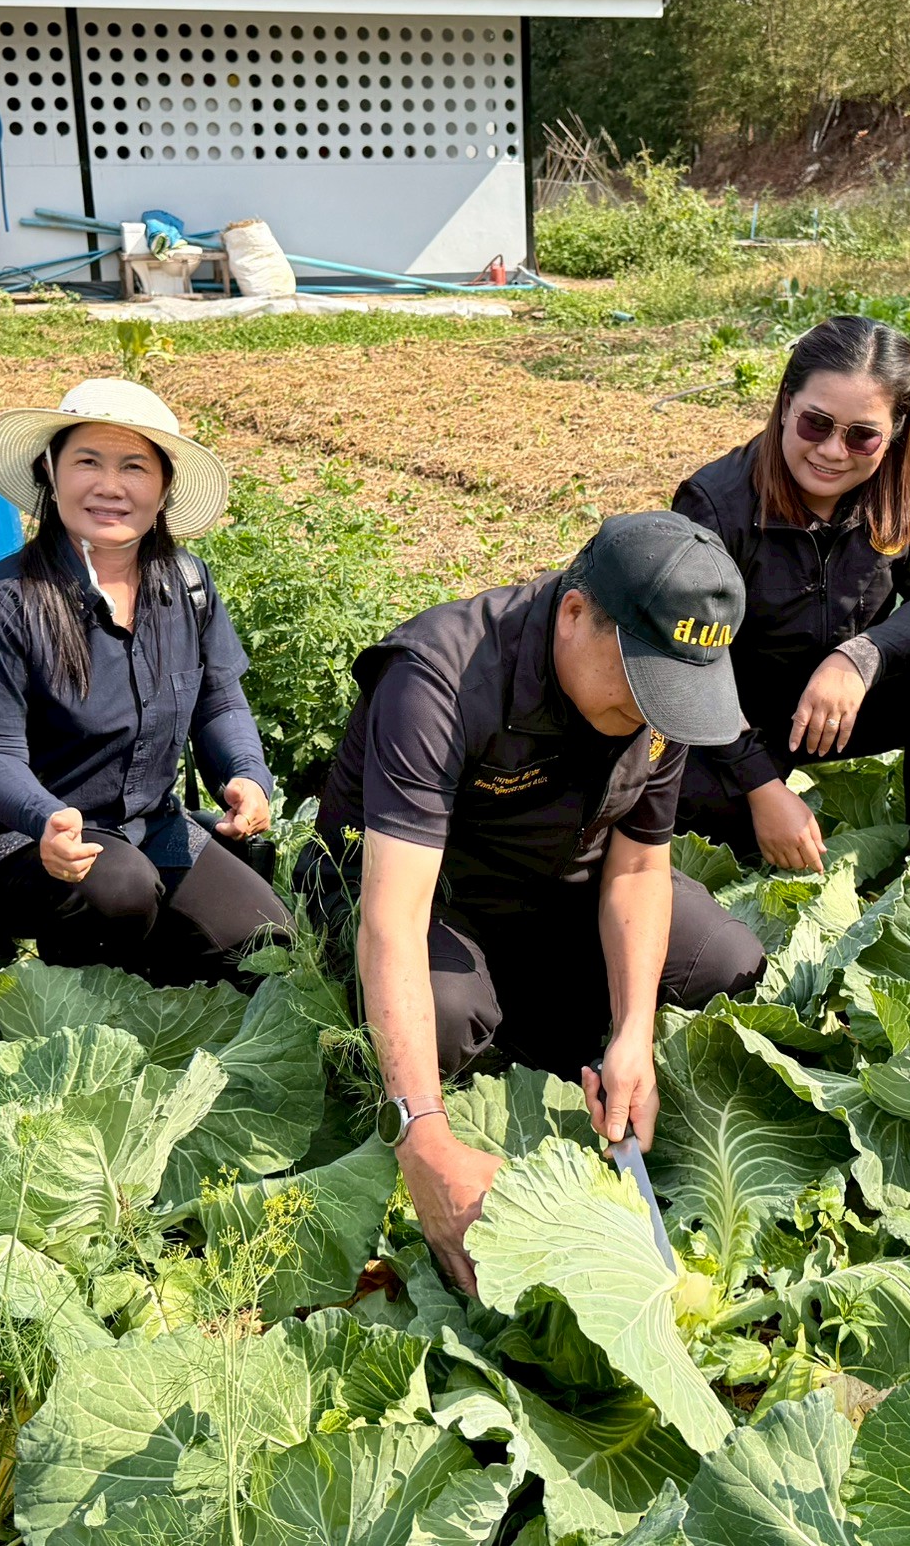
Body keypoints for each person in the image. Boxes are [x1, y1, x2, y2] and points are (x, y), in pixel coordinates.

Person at [303, 510, 768, 1290]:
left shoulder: (665, 694)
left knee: (723, 961)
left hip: (557, 887)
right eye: (643, 683)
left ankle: (560, 1035)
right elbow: (393, 919)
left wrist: (632, 1034)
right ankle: (496, 1050)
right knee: (446, 1020)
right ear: (575, 613)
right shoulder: (439, 679)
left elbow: (637, 872)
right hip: (429, 895)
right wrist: (422, 1139)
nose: (659, 713)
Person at [0, 378, 290, 982]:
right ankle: (64, 1009)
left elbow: (218, 701)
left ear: (162, 489)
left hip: (149, 824)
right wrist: (44, 818)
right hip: (21, 840)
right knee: (120, 887)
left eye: (134, 466)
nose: (110, 485)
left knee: (268, 945)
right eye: (87, 462)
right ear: (50, 472)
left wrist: (245, 775)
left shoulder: (187, 586)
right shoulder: (2, 602)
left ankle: (156, 980)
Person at [672, 314, 910, 870]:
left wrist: (859, 657)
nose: (833, 451)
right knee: (705, 816)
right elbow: (688, 667)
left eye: (862, 434)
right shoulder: (714, 503)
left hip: (843, 703)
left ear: (894, 431)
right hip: (739, 715)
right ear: (784, 404)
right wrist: (761, 787)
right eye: (816, 424)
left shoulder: (906, 476)